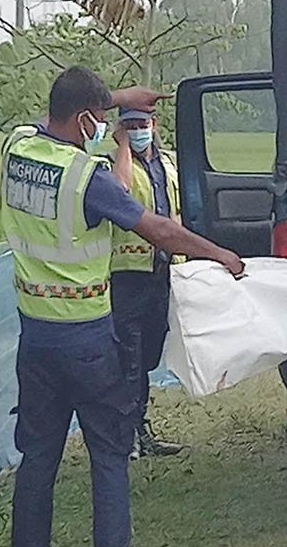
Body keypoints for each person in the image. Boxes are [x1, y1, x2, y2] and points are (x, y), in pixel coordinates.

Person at [4, 66, 245, 547]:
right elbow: (158, 229)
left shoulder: (17, 148)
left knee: (38, 459)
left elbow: (54, 113)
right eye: (99, 117)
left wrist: (116, 97)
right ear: (86, 118)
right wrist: (218, 253)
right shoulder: (85, 178)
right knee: (110, 457)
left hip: (35, 339)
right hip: (88, 341)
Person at [109, 107, 184, 458]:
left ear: (154, 124)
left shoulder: (167, 164)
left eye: (143, 124)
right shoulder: (112, 165)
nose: (139, 130)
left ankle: (138, 429)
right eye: (131, 125)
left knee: (149, 356)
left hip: (163, 273)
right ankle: (129, 435)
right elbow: (120, 190)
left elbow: (177, 212)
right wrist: (122, 145)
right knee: (129, 359)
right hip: (128, 276)